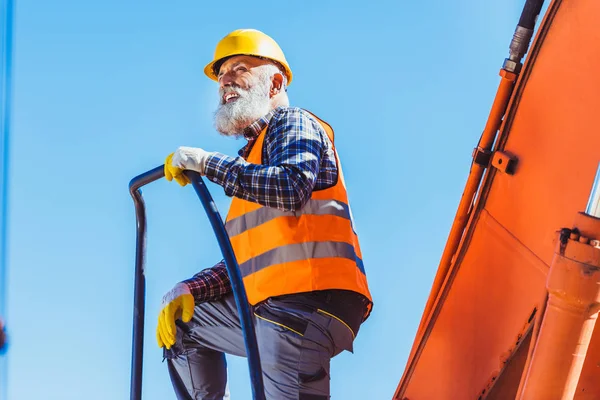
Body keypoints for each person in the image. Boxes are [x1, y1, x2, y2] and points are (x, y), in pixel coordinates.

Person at [157, 28, 373, 400]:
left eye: (239, 68)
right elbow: (245, 261)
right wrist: (189, 289)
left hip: (306, 301)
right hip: (272, 304)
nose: (225, 80)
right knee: (184, 323)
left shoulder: (292, 122)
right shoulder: (251, 166)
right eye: (221, 75)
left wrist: (208, 163)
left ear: (275, 82)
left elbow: (290, 186)